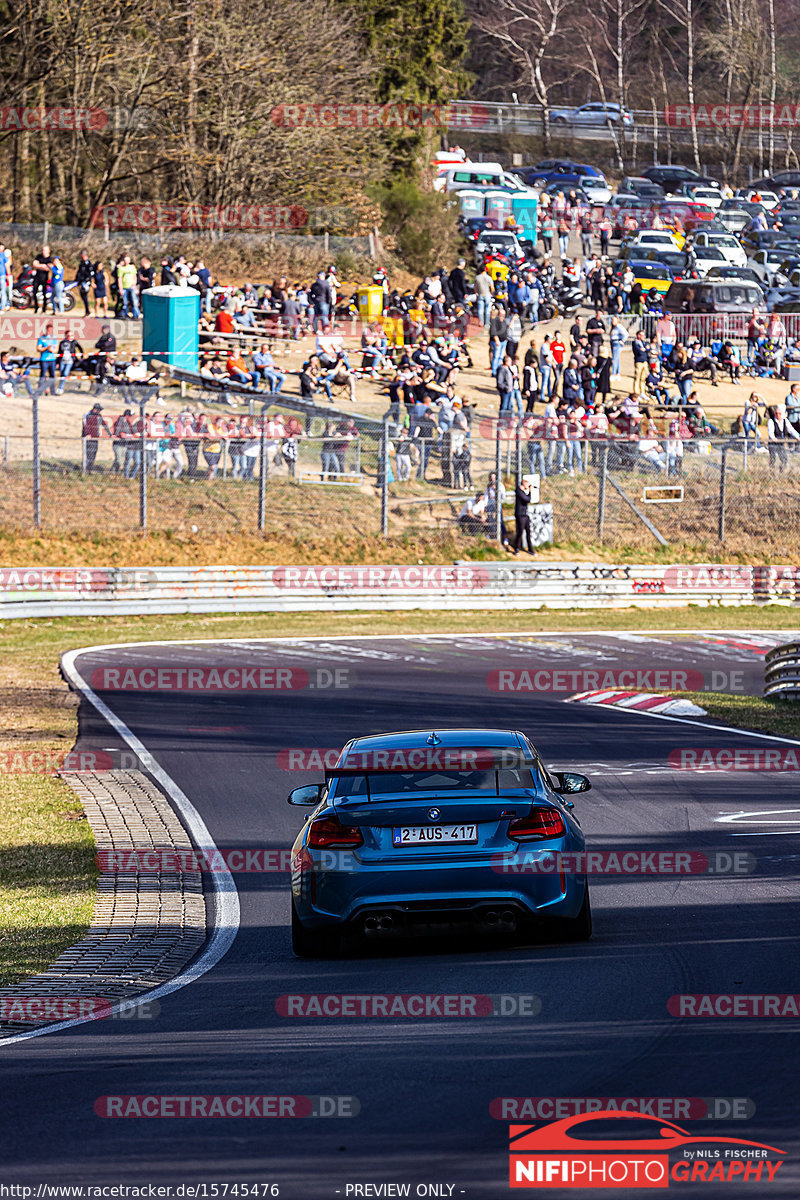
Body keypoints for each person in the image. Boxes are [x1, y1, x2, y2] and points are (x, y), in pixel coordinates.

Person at [766, 402, 800, 470]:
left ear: (782, 414)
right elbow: (770, 431)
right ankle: (771, 472)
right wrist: (773, 438)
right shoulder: (771, 421)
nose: (778, 415)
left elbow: (791, 430)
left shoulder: (785, 421)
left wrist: (797, 437)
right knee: (773, 459)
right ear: (774, 414)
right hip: (773, 443)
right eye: (776, 413)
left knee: (784, 459)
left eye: (779, 413)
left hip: (781, 443)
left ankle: (781, 471)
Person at [82, 402, 112, 473]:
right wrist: (87, 434)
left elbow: (104, 424)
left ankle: (89, 469)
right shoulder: (87, 415)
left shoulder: (99, 416)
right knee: (89, 454)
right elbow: (85, 425)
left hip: (95, 438)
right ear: (95, 409)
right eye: (98, 410)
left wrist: (110, 434)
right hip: (88, 438)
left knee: (94, 454)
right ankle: (86, 470)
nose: (99, 411)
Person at [35, 323, 58, 395]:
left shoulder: (54, 338)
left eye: (51, 330)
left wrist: (52, 351)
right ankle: (39, 391)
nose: (50, 331)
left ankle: (53, 391)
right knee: (42, 375)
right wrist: (46, 348)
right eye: (48, 330)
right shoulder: (41, 338)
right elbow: (38, 348)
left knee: (52, 376)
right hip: (44, 359)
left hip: (52, 359)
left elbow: (56, 349)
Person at [513, 477, 534, 554]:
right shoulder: (519, 491)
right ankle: (516, 548)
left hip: (525, 514)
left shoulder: (523, 492)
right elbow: (527, 499)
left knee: (528, 532)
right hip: (520, 514)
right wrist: (530, 491)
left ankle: (530, 549)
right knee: (520, 532)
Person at [31, 244, 52, 313]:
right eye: (43, 250)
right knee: (35, 292)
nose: (43, 251)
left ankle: (44, 309)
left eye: (45, 250)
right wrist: (42, 266)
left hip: (44, 278)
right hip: (37, 277)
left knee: (44, 293)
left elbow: (48, 268)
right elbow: (34, 264)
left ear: (48, 251)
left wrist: (40, 266)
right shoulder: (39, 256)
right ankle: (36, 308)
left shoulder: (49, 259)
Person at [118, 254, 140, 318]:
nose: (126, 261)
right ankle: (125, 315)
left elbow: (135, 276)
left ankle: (136, 315)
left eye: (128, 260)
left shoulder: (132, 267)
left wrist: (134, 284)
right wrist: (121, 288)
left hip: (131, 286)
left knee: (134, 301)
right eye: (125, 260)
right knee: (124, 302)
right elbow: (119, 279)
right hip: (124, 287)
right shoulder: (121, 269)